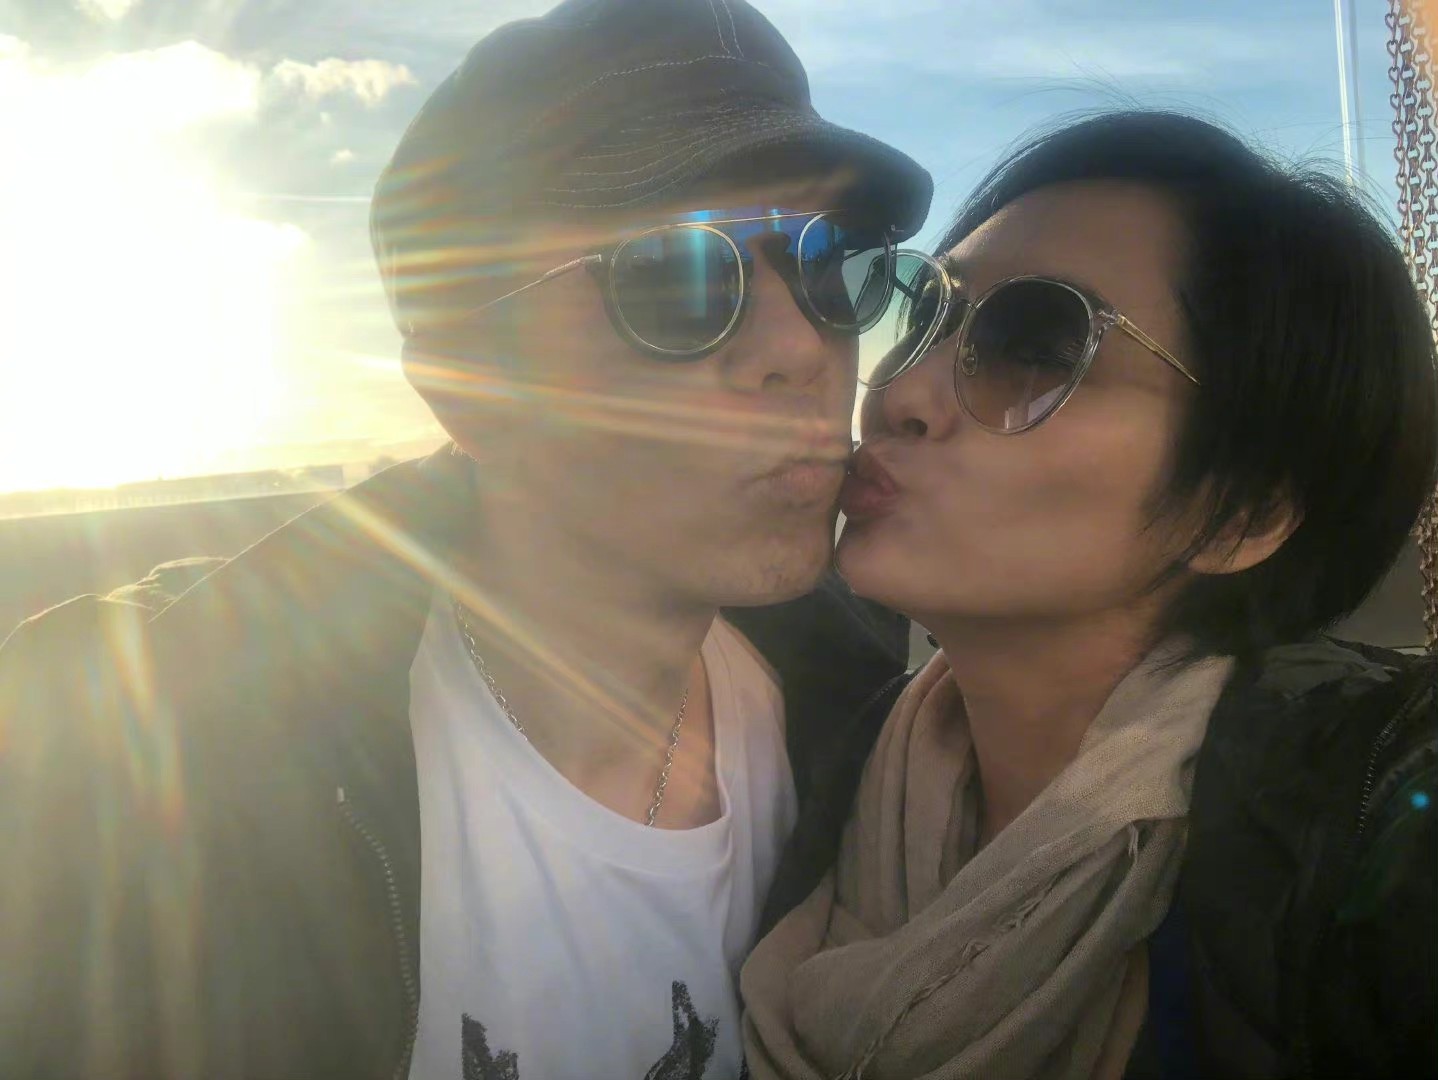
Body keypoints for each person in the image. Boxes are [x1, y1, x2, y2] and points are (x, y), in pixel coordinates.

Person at [0, 1, 932, 1076]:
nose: (801, 347)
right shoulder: (132, 777)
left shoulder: (874, 718)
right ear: (470, 390)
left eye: (832, 265)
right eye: (678, 275)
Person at [742, 111, 1438, 1080]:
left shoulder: (1370, 828)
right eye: (925, 314)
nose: (899, 394)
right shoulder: (810, 754)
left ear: (1237, 513)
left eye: (1035, 345)